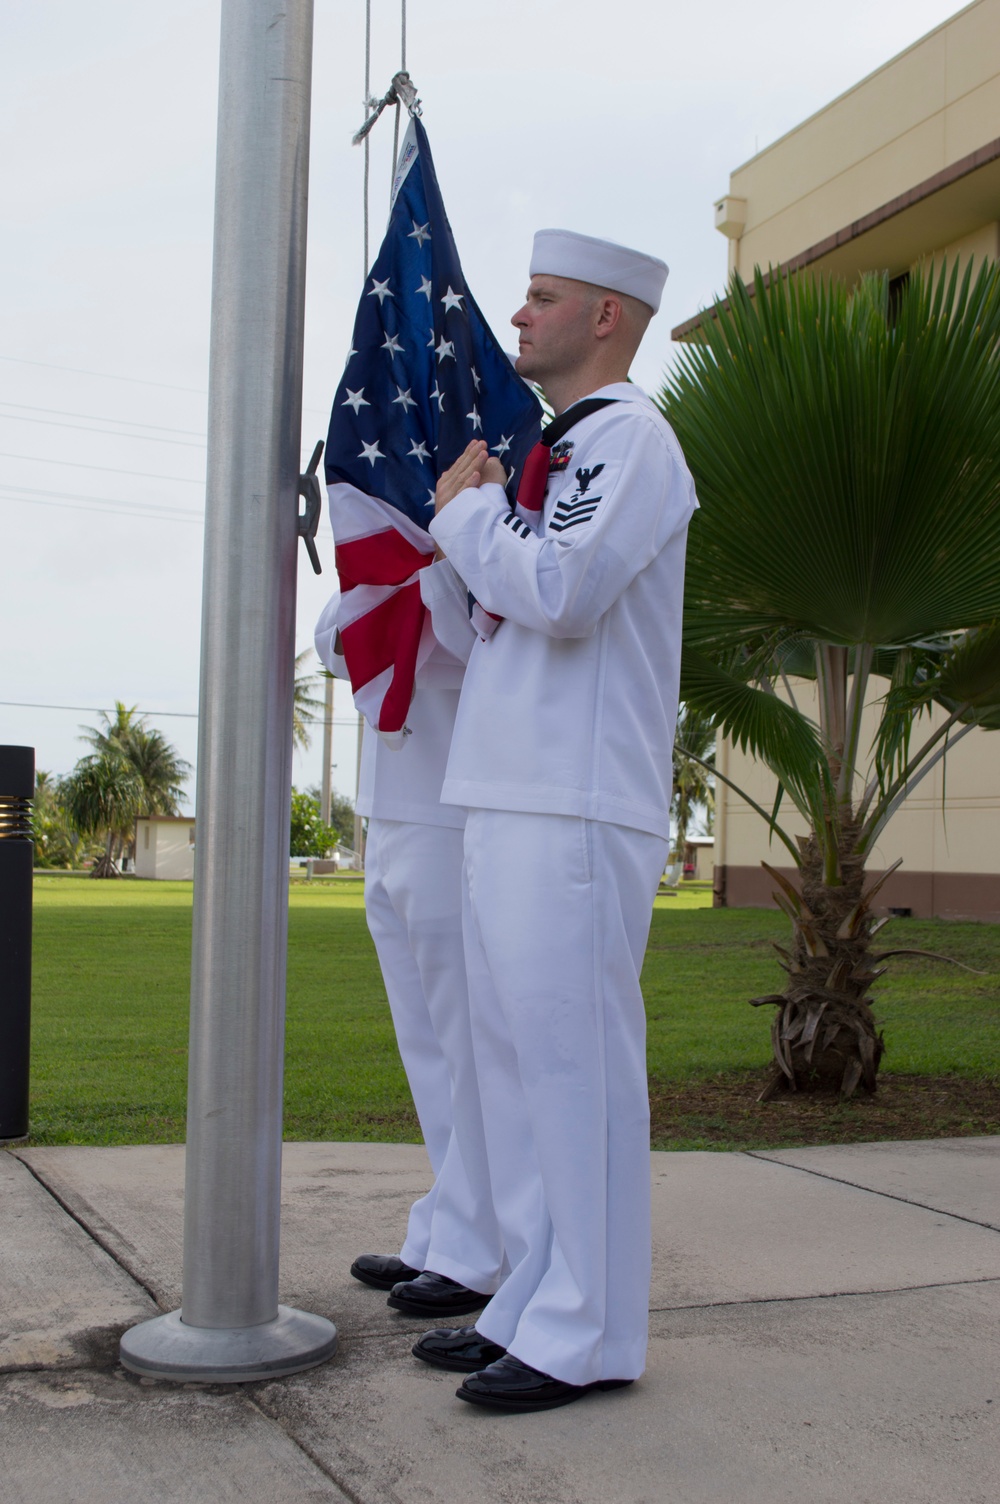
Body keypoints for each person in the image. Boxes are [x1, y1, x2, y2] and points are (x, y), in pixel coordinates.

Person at [411, 229, 698, 1412]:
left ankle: (587, 1331)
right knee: (520, 1074)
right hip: (512, 790)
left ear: (607, 321)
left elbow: (561, 593)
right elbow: (503, 606)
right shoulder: (552, 449)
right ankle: (534, 1297)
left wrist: (469, 521)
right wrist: (472, 518)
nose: (516, 316)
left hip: (573, 799)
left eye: (541, 299)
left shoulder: (629, 441)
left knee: (572, 1072)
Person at [314, 592, 505, 1320]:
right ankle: (450, 1227)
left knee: (467, 1047)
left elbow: (470, 640)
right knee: (426, 1049)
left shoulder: (481, 525)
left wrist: (411, 597)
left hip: (451, 805)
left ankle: (479, 1249)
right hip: (387, 809)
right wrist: (386, 594)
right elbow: (335, 642)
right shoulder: (389, 537)